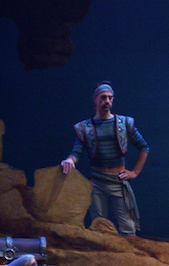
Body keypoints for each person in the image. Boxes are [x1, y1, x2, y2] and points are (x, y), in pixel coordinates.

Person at [61, 81, 150, 236]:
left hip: (118, 181)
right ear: (95, 99)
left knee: (128, 228)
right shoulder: (85, 127)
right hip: (96, 182)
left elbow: (143, 147)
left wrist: (134, 172)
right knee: (99, 227)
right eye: (103, 98)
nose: (107, 101)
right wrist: (70, 160)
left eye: (110, 98)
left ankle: (129, 259)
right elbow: (77, 152)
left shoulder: (124, 123)